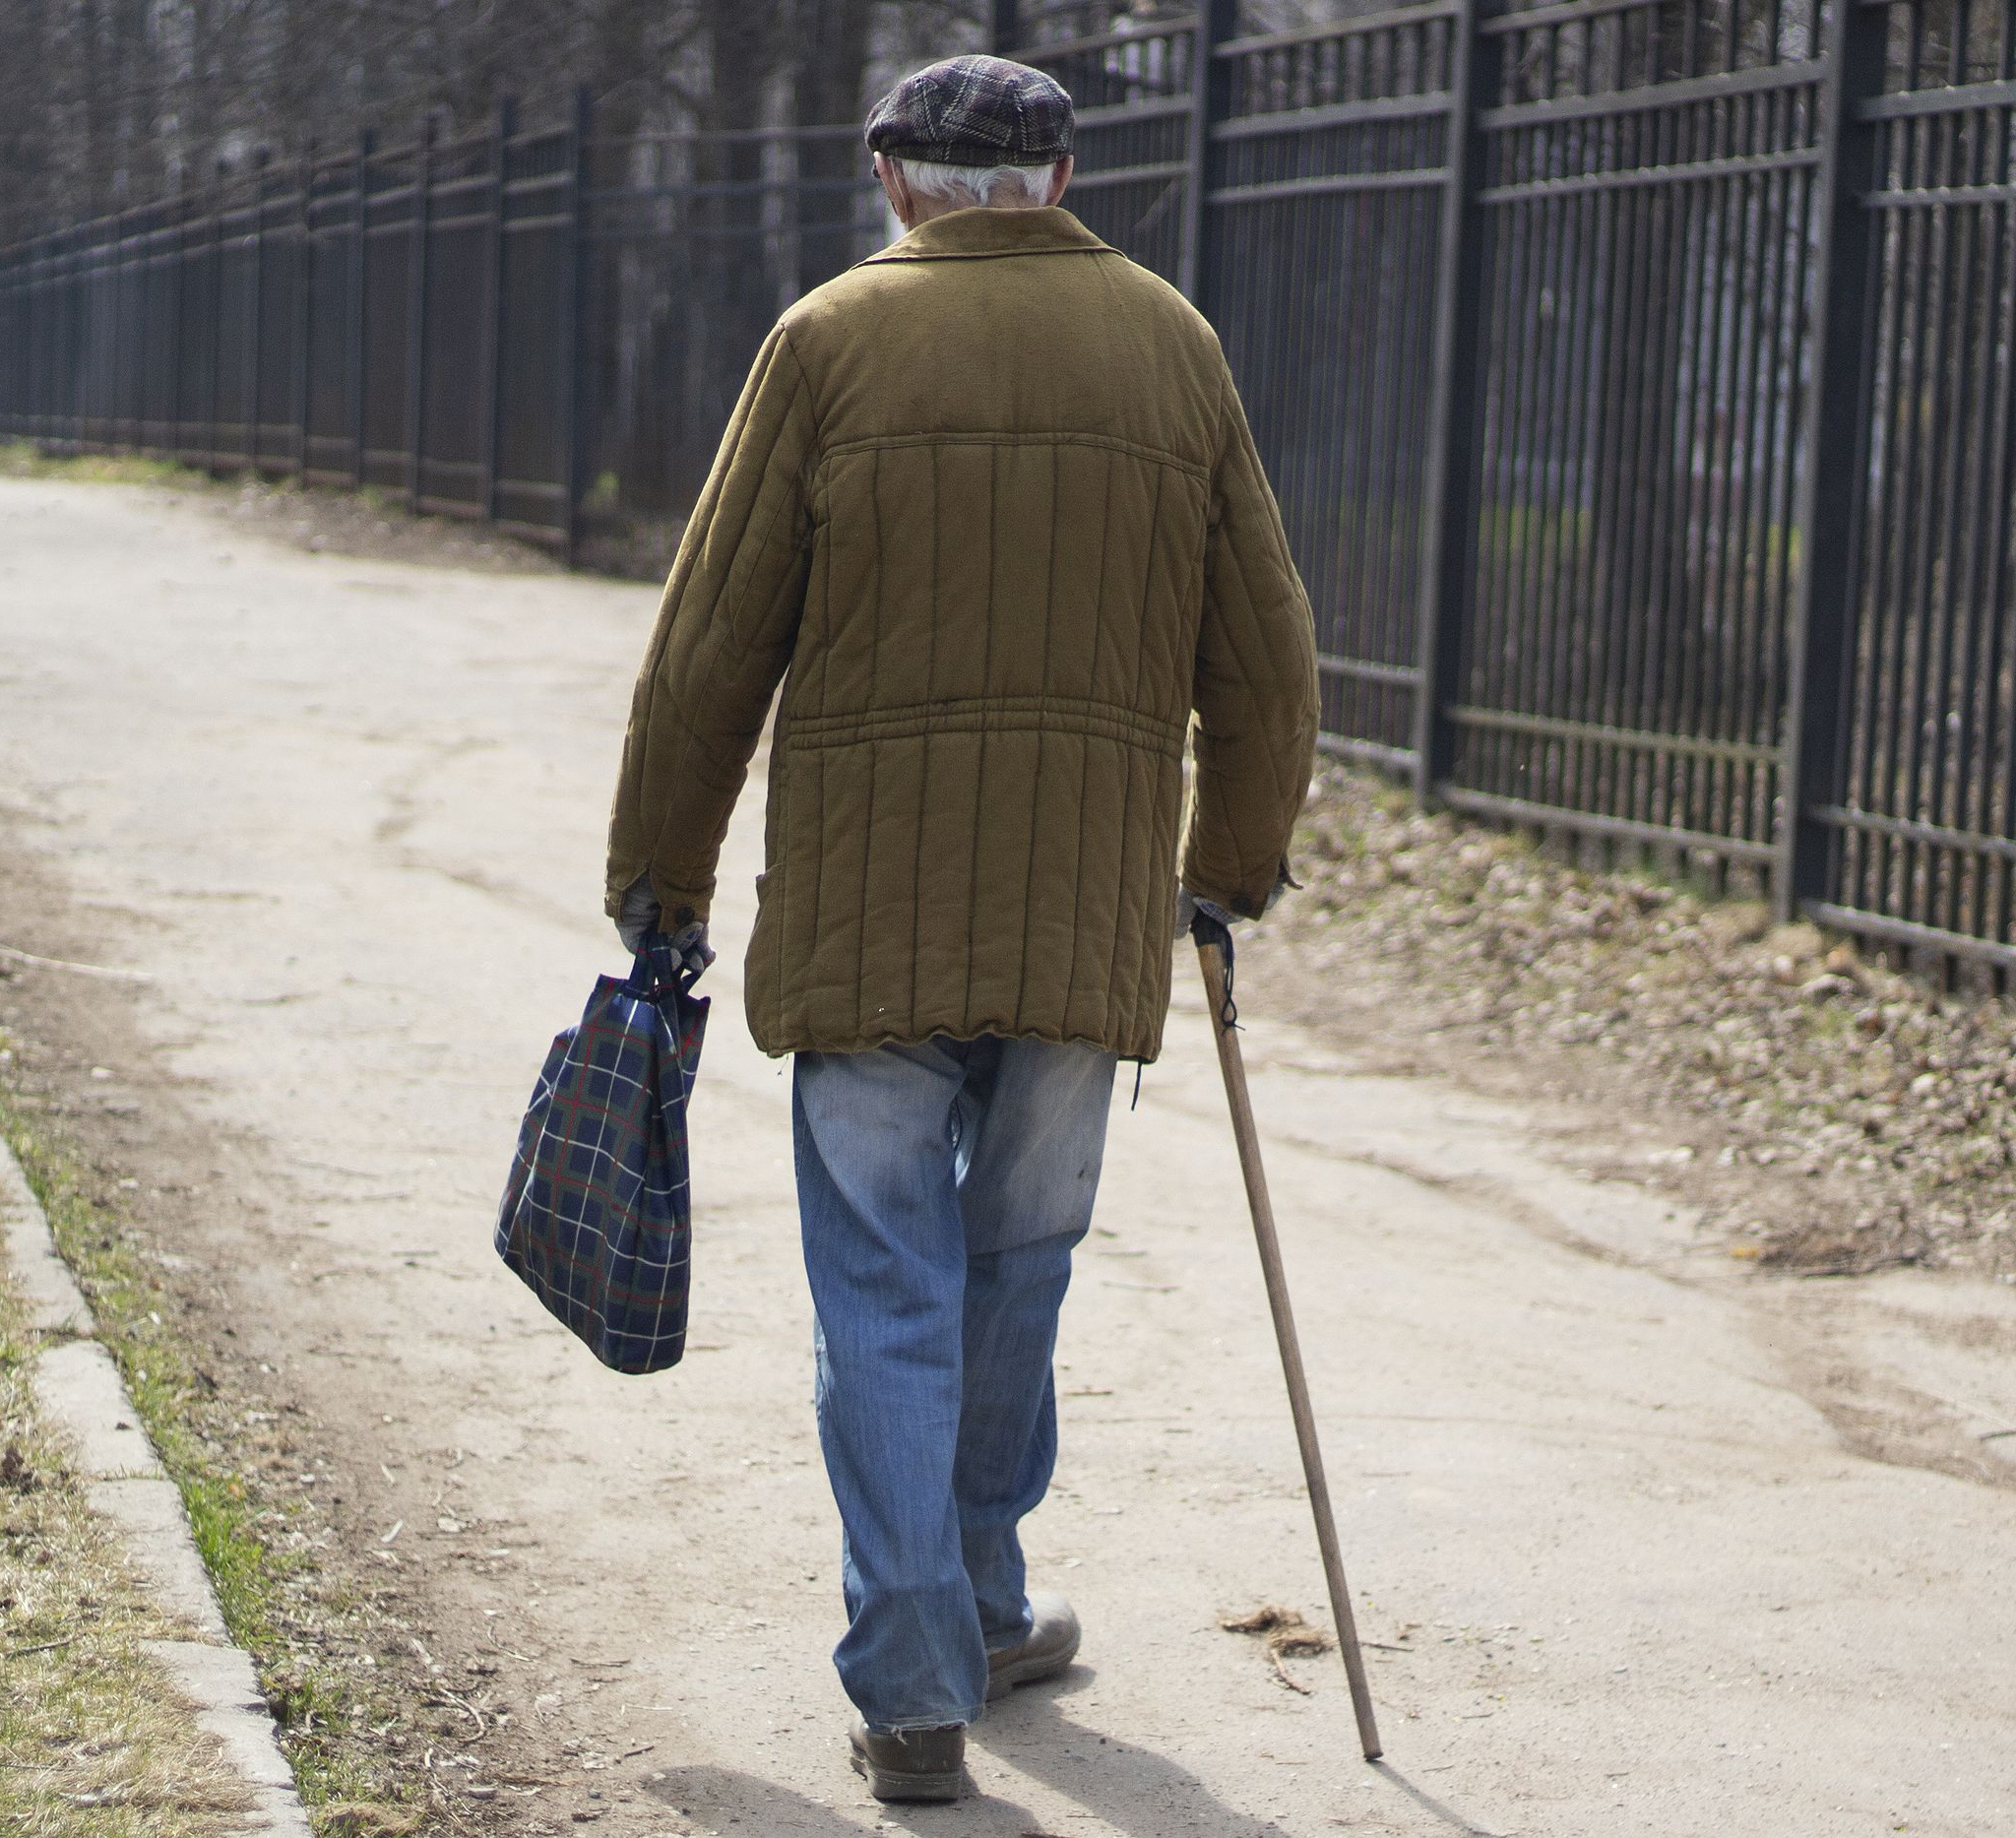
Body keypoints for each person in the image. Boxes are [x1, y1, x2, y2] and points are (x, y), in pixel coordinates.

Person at [603, 51, 1319, 1806]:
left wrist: (664, 878)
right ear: (1061, 178)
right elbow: (1270, 660)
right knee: (1019, 1269)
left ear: (892, 180)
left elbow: (709, 654)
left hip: (868, 921)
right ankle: (983, 1597)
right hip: (1082, 924)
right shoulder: (1176, 347)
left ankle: (925, 1666)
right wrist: (1227, 868)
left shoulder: (825, 342)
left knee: (884, 1290)